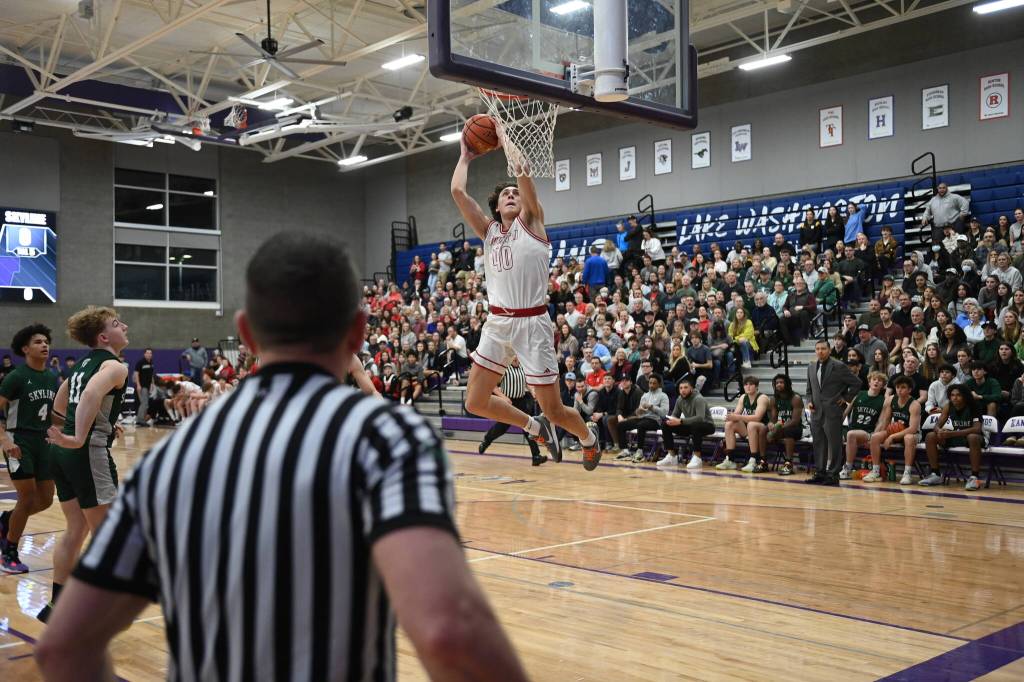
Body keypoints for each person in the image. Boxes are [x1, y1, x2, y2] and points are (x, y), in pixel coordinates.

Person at [37, 233, 528, 682]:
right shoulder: (387, 438)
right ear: (357, 333)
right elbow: (448, 635)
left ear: (247, 334)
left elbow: (63, 648)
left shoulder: (173, 455)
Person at [451, 135, 601, 469]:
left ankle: (589, 438)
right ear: (496, 206)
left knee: (554, 408)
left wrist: (505, 138)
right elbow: (458, 193)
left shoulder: (532, 221)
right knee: (475, 401)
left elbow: (522, 170)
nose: (512, 194)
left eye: (516, 192)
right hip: (497, 323)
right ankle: (534, 428)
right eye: (505, 194)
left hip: (532, 323)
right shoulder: (489, 233)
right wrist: (465, 157)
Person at [36, 307, 130, 623]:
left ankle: (56, 607)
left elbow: (60, 403)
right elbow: (90, 394)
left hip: (63, 456)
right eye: (118, 324)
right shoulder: (116, 367)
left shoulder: (80, 366)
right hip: (86, 453)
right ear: (104, 336)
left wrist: (87, 428)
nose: (125, 326)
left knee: (75, 530)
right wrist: (79, 436)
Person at [0, 324, 59, 574]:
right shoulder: (15, 377)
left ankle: (6, 521)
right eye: (37, 342)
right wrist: (4, 440)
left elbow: (54, 415)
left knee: (45, 500)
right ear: (25, 349)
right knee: (26, 496)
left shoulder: (50, 377)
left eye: (46, 341)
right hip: (18, 441)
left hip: (44, 441)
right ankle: (9, 552)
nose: (44, 345)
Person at [805, 339, 862, 485]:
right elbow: (809, 390)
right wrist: (809, 401)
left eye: (823, 349)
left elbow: (857, 383)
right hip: (816, 410)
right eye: (817, 349)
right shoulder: (811, 367)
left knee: (834, 443)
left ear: (829, 350)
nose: (820, 351)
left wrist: (845, 399)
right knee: (818, 442)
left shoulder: (839, 365)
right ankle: (820, 472)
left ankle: (833, 474)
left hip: (833, 409)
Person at [478, 357, 546, 466]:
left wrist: (532, 391)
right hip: (508, 402)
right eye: (513, 356)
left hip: (521, 401)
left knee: (529, 426)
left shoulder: (522, 368)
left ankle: (536, 456)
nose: (515, 358)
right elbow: (492, 386)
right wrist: (503, 397)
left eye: (517, 356)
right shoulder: (505, 369)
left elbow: (526, 382)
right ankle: (487, 440)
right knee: (501, 428)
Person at [921, 385, 985, 490]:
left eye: (958, 395)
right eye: (952, 395)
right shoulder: (948, 406)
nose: (955, 398)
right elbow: (936, 426)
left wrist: (952, 433)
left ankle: (974, 477)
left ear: (965, 396)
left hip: (975, 438)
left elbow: (977, 429)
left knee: (972, 437)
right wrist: (940, 431)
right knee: (930, 436)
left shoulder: (974, 406)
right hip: (958, 436)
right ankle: (935, 474)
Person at [867, 375, 922, 485]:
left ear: (909, 389)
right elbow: (886, 421)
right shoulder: (891, 399)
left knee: (908, 438)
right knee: (875, 437)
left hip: (912, 433)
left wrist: (892, 437)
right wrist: (882, 434)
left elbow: (912, 428)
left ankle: (907, 473)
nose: (899, 390)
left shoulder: (915, 404)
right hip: (895, 431)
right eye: (897, 387)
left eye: (903, 387)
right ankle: (876, 470)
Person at [838, 371, 888, 481]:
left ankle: (848, 468)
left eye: (879, 380)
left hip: (867, 432)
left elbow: (881, 421)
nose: (876, 382)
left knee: (851, 434)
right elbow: (845, 413)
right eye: (874, 379)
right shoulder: (860, 394)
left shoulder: (883, 400)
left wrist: (874, 437)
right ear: (869, 382)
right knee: (833, 434)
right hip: (852, 430)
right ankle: (829, 465)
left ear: (883, 385)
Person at [658, 378, 714, 469]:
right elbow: (675, 415)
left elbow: (700, 418)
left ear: (691, 388)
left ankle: (697, 458)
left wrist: (680, 421)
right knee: (666, 425)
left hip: (707, 425)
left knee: (696, 426)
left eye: (685, 387)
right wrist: (670, 420)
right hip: (690, 425)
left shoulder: (698, 399)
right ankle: (671, 456)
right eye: (681, 388)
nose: (683, 390)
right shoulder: (679, 399)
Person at [719, 376, 769, 472]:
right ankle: (730, 459)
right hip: (749, 429)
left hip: (763, 428)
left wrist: (738, 417)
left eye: (751, 384)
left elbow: (758, 418)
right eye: (746, 384)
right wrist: (731, 416)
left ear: (757, 386)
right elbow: (737, 414)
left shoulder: (762, 398)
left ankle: (753, 460)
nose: (748, 387)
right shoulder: (743, 397)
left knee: (752, 424)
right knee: (730, 424)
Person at [616, 373, 669, 463]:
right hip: (642, 418)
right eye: (650, 383)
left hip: (655, 420)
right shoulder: (645, 395)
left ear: (659, 384)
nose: (651, 385)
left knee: (641, 425)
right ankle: (625, 450)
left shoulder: (663, 396)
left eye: (654, 383)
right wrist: (639, 411)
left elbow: (664, 413)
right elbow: (639, 413)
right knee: (621, 425)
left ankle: (639, 451)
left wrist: (651, 407)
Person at [766, 374, 804, 476]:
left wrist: (778, 427)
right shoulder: (773, 399)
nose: (779, 385)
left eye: (781, 382)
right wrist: (770, 424)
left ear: (787, 384)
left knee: (788, 431)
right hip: (780, 427)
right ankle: (761, 461)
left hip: (796, 428)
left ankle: (788, 463)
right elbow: (773, 418)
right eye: (777, 383)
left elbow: (795, 421)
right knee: (762, 430)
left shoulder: (796, 398)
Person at [132, 348, 155, 426]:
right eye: (147, 353)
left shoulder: (151, 363)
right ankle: (140, 420)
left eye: (150, 353)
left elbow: (151, 375)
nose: (149, 354)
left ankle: (141, 419)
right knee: (144, 403)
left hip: (148, 386)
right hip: (142, 386)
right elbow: (136, 374)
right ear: (144, 354)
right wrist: (138, 385)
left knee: (145, 403)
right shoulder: (140, 362)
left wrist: (152, 384)